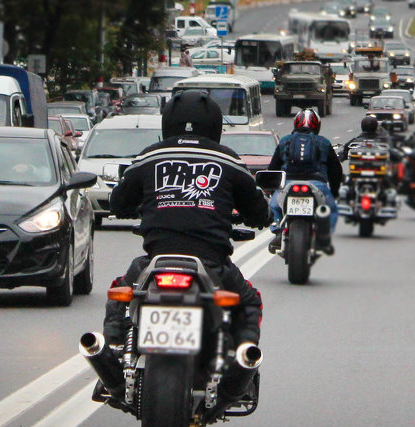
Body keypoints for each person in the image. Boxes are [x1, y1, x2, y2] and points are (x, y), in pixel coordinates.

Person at [104, 90, 271, 409]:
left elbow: (118, 202)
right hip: (211, 263)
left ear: (168, 122)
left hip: (156, 261)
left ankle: (112, 351)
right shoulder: (229, 159)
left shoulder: (149, 156)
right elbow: (259, 213)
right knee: (248, 301)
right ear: (215, 125)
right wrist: (261, 215)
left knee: (122, 291)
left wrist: (134, 207)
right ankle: (243, 362)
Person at [267, 108, 343, 254]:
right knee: (332, 209)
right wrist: (334, 192)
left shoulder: (284, 141)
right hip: (317, 184)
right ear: (317, 126)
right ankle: (324, 237)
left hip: (287, 184)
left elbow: (273, 168)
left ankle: (277, 229)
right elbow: (336, 171)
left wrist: (271, 190)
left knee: (275, 206)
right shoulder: (324, 143)